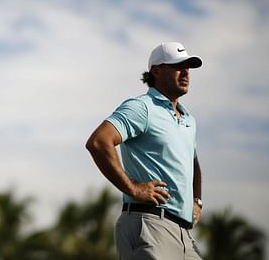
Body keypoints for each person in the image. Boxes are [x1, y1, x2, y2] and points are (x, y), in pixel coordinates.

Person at [85, 42, 204, 259]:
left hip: (184, 233)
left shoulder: (188, 119)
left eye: (188, 66)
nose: (186, 72)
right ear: (157, 71)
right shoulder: (142, 107)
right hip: (150, 224)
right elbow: (99, 142)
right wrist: (134, 189)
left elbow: (193, 163)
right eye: (178, 66)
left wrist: (197, 201)